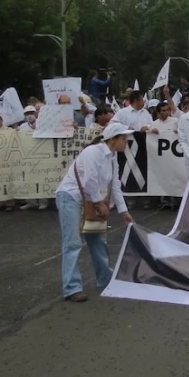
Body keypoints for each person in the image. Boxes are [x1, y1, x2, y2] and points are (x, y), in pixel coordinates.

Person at [54, 122, 135, 303]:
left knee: (98, 238)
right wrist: (99, 203)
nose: (126, 142)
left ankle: (105, 278)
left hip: (89, 199)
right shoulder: (93, 152)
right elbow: (89, 180)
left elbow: (115, 185)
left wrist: (124, 211)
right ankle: (72, 287)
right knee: (72, 242)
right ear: (112, 139)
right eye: (123, 139)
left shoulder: (113, 158)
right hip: (71, 196)